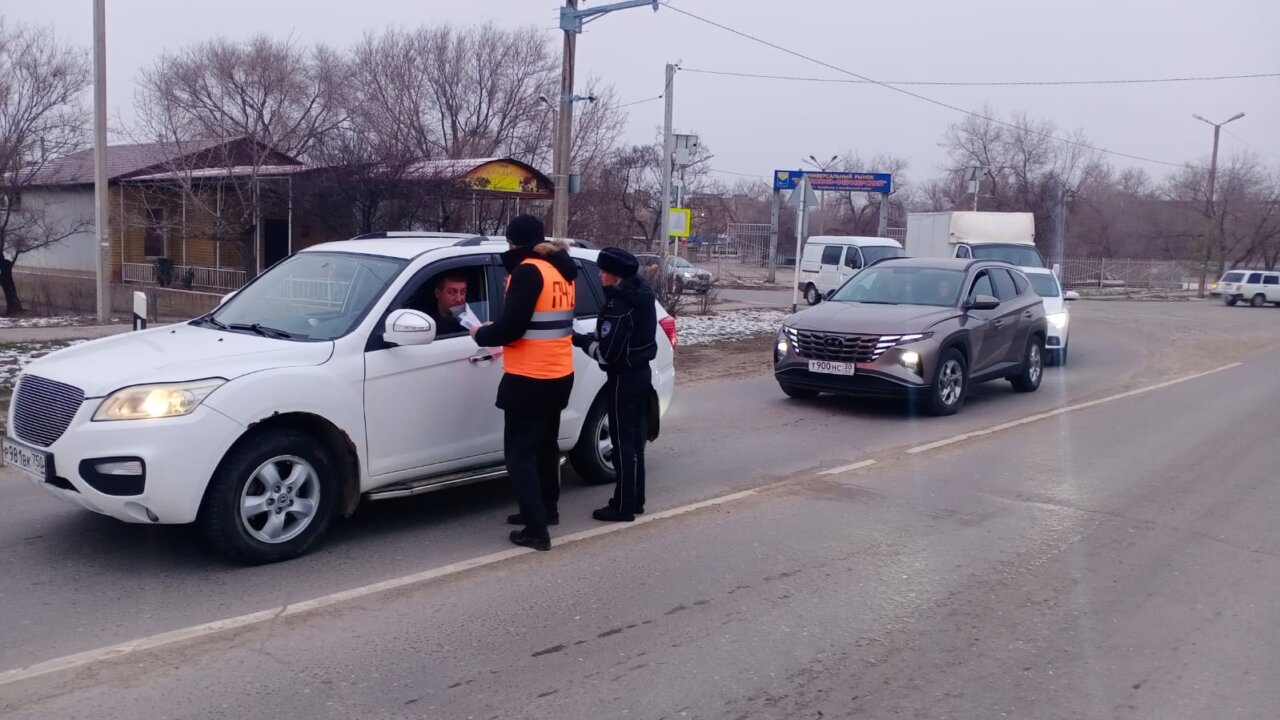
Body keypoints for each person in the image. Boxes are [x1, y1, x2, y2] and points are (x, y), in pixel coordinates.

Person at [472, 214, 577, 551]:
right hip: (559, 373)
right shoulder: (559, 270)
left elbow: (512, 328)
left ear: (514, 243)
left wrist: (481, 333)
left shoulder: (527, 271)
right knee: (546, 447)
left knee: (520, 455)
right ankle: (547, 511)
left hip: (529, 377)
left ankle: (536, 530)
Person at [572, 247, 657, 523]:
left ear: (616, 276)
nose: (600, 275)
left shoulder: (618, 306)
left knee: (622, 442)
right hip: (641, 373)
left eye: (604, 271)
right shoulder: (641, 293)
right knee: (635, 440)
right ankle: (635, 499)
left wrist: (582, 341)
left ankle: (622, 507)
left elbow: (608, 354)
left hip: (624, 378)